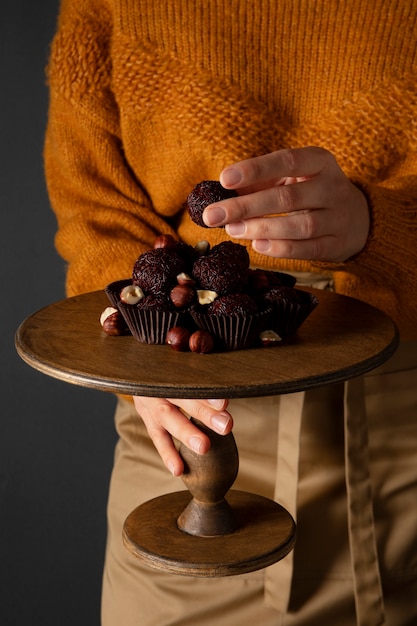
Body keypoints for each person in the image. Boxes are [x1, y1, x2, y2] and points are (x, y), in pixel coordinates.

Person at [44, 1, 417, 624]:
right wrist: (144, 346)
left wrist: (385, 228)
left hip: (398, 445)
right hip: (183, 448)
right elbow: (93, 203)